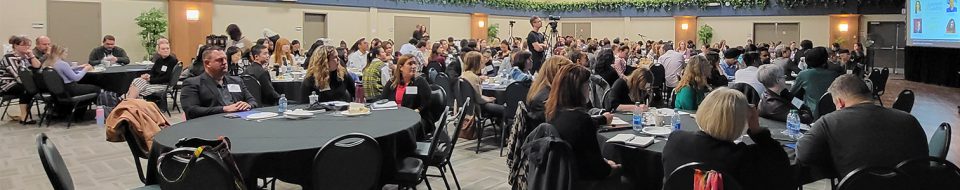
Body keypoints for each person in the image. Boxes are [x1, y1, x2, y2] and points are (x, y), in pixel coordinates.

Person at [796, 74, 928, 183]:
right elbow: (923, 159)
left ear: (840, 102)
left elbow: (803, 153)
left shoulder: (829, 121)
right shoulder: (909, 119)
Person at [662, 88, 793, 190]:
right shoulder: (744, 156)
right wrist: (757, 130)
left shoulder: (676, 140)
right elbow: (781, 164)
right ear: (742, 122)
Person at [544, 64, 621, 188]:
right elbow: (598, 168)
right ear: (578, 89)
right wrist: (610, 166)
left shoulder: (551, 112)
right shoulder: (582, 120)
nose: (590, 90)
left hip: (559, 175)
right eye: (587, 86)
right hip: (579, 179)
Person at [181, 46, 257, 120]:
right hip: (211, 125)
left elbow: (252, 101)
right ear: (207, 63)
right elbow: (191, 110)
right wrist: (224, 109)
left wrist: (248, 105)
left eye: (225, 59)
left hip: (240, 122)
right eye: (219, 60)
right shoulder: (192, 83)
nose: (225, 63)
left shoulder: (237, 81)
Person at [46, 44, 100, 118]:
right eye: (66, 53)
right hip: (71, 89)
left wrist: (79, 67)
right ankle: (101, 116)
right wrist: (86, 69)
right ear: (60, 53)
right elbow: (76, 78)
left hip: (61, 90)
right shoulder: (63, 64)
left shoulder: (51, 63)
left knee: (88, 91)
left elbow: (65, 71)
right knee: (97, 89)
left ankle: (80, 114)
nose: (66, 55)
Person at [383, 54, 434, 127]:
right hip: (395, 117)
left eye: (414, 63)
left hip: (417, 118)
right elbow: (383, 100)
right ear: (401, 67)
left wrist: (418, 110)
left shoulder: (420, 81)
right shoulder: (392, 82)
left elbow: (428, 101)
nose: (413, 66)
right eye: (410, 64)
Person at [2, 36, 43, 124]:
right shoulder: (9, 57)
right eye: (24, 45)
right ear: (15, 46)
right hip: (6, 83)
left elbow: (38, 66)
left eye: (28, 45)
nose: (27, 47)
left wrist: (32, 56)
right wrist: (30, 84)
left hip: (21, 82)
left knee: (32, 87)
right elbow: (16, 74)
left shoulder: (25, 56)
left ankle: (24, 115)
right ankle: (24, 116)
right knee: (27, 89)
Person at [789, 47, 839, 116]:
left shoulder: (804, 74)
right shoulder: (834, 74)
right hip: (832, 113)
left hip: (811, 113)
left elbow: (791, 93)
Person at [460, 51, 504, 120]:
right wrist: (488, 99)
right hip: (478, 107)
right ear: (477, 63)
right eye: (482, 61)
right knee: (504, 110)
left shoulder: (464, 74)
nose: (483, 62)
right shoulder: (474, 78)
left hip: (468, 107)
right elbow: (479, 99)